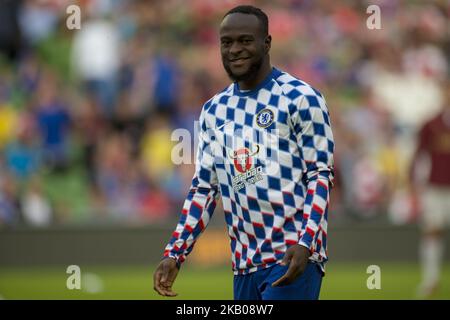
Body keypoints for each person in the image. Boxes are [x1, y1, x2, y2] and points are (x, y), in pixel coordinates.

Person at [153, 5, 334, 300]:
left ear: (267, 43)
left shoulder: (301, 98)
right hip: (244, 265)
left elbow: (320, 176)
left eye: (245, 40)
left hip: (291, 255)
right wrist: (175, 253)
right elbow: (204, 189)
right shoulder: (214, 110)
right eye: (227, 42)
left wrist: (307, 243)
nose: (235, 49)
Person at [411, 81, 450, 298]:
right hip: (436, 188)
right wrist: (413, 184)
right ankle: (431, 279)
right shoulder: (431, 124)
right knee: (432, 232)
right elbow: (419, 154)